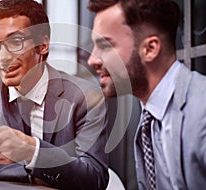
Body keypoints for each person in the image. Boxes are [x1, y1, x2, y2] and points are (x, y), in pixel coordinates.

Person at [0, 0, 109, 189]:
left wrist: (33, 151)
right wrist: (31, 173)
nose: (3, 57)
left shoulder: (85, 96)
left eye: (15, 42)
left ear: (43, 46)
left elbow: (94, 177)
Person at [87, 0, 206, 189]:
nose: (91, 60)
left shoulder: (201, 112)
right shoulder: (149, 118)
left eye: (105, 46)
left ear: (150, 49)